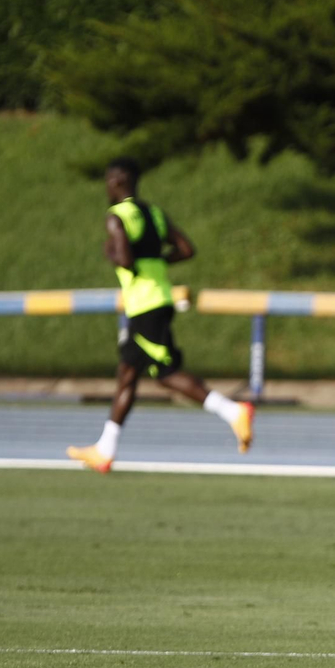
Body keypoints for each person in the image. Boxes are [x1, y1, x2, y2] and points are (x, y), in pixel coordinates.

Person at [67, 157, 253, 472]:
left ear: (119, 181)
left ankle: (233, 411)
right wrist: (158, 262)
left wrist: (110, 251)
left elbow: (125, 260)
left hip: (144, 304)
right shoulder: (154, 213)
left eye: (109, 180)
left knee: (165, 374)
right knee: (128, 372)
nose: (106, 187)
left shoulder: (117, 217)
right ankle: (104, 449)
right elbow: (186, 249)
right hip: (159, 299)